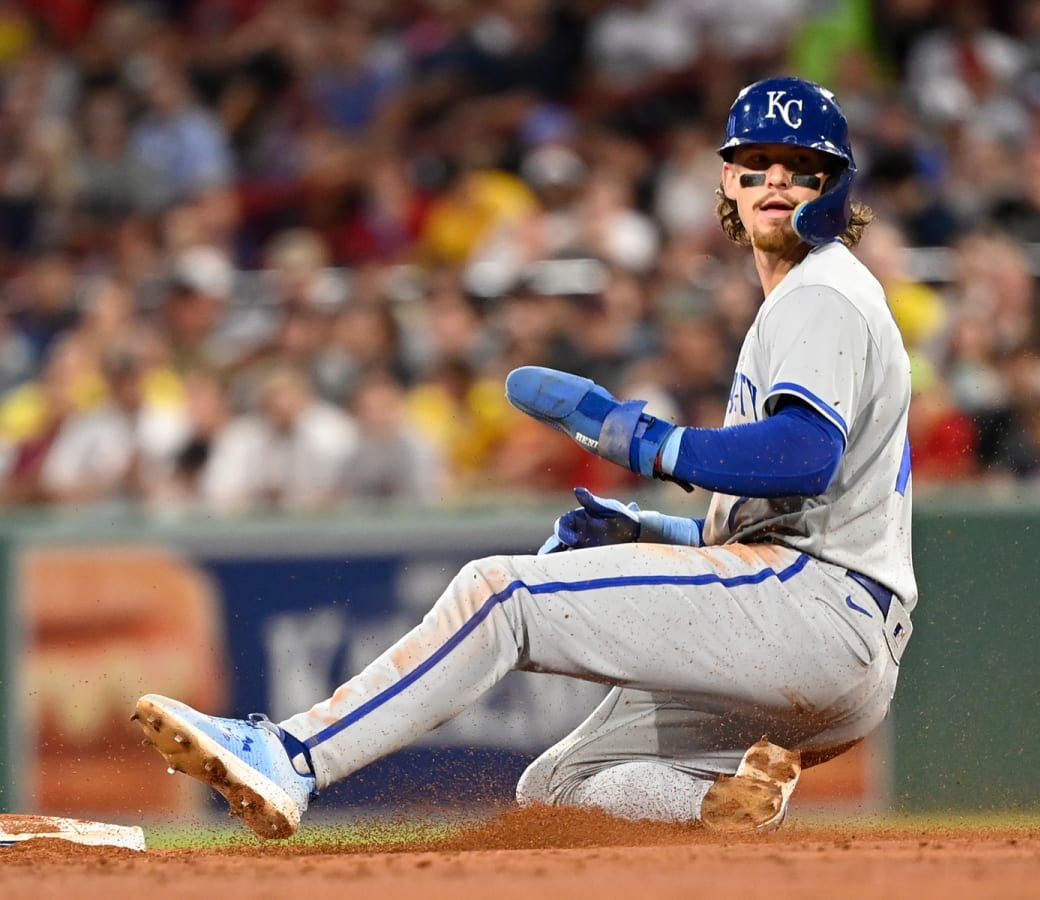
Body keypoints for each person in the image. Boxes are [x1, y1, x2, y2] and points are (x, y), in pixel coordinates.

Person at [133, 76, 916, 839]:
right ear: (729, 182)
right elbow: (808, 509)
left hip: (817, 612)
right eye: (758, 163)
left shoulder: (822, 289)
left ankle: (290, 756)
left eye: (801, 166)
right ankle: (719, 802)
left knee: (498, 593)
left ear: (837, 184)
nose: (776, 181)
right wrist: (658, 533)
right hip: (826, 637)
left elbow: (804, 457)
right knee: (559, 790)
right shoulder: (808, 298)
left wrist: (641, 439)